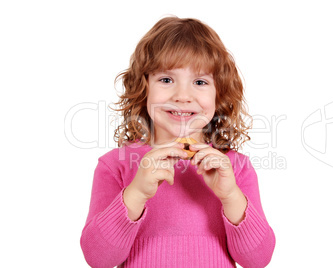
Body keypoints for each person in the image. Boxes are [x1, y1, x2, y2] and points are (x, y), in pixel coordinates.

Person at [80, 16, 275, 268]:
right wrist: (136, 193)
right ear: (144, 87)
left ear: (220, 93)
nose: (183, 96)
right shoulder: (114, 165)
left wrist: (230, 197)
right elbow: (98, 259)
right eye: (166, 80)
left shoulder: (235, 168)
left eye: (200, 82)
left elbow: (258, 260)